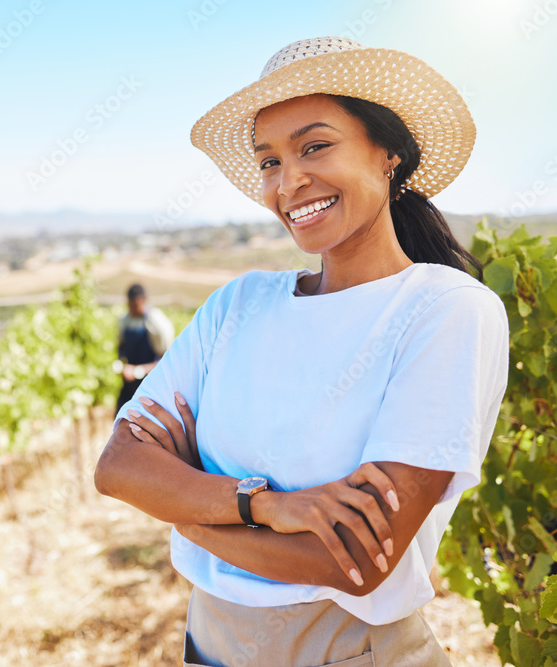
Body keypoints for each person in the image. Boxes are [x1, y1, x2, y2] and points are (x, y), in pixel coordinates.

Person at [95, 36, 510, 666]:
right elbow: (119, 468)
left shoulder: (444, 309)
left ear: (388, 153)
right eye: (269, 161)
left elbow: (354, 562)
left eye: (315, 146)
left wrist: (187, 512)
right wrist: (268, 506)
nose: (289, 181)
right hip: (204, 647)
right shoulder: (238, 304)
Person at [114, 283, 175, 413]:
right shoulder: (125, 321)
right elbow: (121, 348)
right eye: (130, 306)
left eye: (135, 306)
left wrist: (138, 371)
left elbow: (166, 361)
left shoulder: (158, 323)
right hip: (129, 387)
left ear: (144, 301)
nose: (133, 310)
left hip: (151, 388)